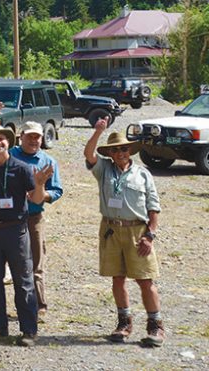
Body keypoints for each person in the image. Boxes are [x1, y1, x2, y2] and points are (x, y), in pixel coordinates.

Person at [83, 120, 164, 348]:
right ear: (109, 152)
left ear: (130, 151)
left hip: (137, 231)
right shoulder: (104, 169)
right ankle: (123, 323)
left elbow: (153, 207)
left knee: (145, 279)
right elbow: (88, 153)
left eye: (124, 148)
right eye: (115, 149)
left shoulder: (143, 174)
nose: (120, 152)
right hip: (110, 230)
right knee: (117, 278)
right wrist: (98, 131)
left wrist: (150, 235)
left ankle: (155, 326)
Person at [0, 123, 50, 347]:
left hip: (17, 230)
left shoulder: (22, 168)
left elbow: (35, 199)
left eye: (1, 139)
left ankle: (28, 330)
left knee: (23, 281)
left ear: (8, 142)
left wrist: (40, 184)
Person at [11, 121, 63, 318]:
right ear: (21, 136)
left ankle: (39, 305)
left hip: (34, 217)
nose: (34, 140)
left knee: (36, 262)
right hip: (9, 216)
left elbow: (57, 190)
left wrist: (41, 194)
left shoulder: (48, 161)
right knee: (0, 261)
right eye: (30, 136)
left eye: (37, 137)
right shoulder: (11, 155)